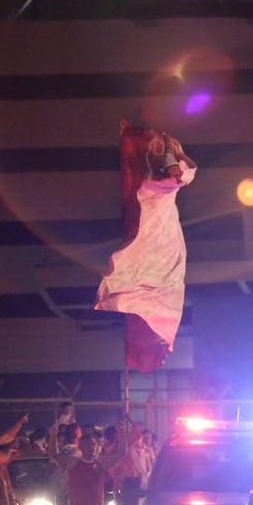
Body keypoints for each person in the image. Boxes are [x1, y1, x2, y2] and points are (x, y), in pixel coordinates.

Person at [94, 132, 197, 349]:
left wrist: (170, 153)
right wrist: (170, 152)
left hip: (159, 226)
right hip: (161, 230)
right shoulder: (167, 184)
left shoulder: (167, 185)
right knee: (158, 270)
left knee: (155, 272)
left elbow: (178, 174)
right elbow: (178, 174)